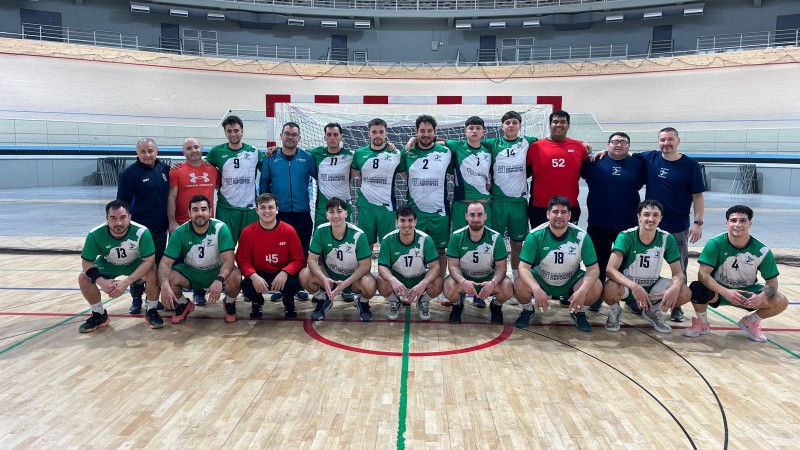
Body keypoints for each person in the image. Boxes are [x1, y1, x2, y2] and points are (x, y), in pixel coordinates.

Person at [684, 205, 788, 342]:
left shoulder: (762, 251)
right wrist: (726, 291)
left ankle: (750, 322)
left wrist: (761, 296)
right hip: (719, 292)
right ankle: (702, 324)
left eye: (743, 221)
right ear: (727, 223)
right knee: (697, 288)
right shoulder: (715, 244)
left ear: (750, 223)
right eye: (733, 220)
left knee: (781, 301)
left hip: (748, 295)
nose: (737, 225)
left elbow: (772, 283)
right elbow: (703, 275)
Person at [638, 127, 706, 322]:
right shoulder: (650, 158)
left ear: (678, 141)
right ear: (658, 142)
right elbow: (622, 152)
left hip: (677, 226)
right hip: (650, 227)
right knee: (643, 266)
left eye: (670, 139)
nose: (666, 143)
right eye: (662, 140)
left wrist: (698, 222)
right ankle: (639, 300)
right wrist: (600, 151)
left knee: (679, 269)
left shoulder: (690, 165)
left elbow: (698, 196)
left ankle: (676, 305)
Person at [513, 196, 603, 332]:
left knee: (596, 286)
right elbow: (523, 267)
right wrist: (535, 288)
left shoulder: (581, 236)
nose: (559, 216)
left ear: (570, 215)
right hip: (542, 280)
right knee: (519, 284)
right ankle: (528, 310)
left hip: (570, 281)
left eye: (563, 212)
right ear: (548, 214)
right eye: (555, 212)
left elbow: (593, 269)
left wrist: (583, 290)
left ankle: (579, 312)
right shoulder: (535, 235)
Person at [602, 200, 692, 333]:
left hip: (653, 288)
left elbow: (678, 273)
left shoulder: (667, 238)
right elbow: (610, 270)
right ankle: (615, 310)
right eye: (646, 214)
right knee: (609, 287)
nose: (651, 219)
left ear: (660, 218)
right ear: (639, 216)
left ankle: (653, 311)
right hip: (628, 287)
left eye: (655, 215)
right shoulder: (626, 236)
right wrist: (634, 286)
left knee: (685, 292)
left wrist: (675, 287)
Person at [580, 132, 645, 311]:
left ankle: (630, 297)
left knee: (628, 263)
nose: (618, 145)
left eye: (623, 142)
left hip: (627, 225)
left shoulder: (639, 164)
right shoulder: (594, 162)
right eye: (615, 142)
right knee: (597, 262)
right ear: (607, 145)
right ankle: (596, 295)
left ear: (629, 146)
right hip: (598, 222)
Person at [77, 200, 163, 332]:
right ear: (107, 219)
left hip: (135, 263)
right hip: (109, 263)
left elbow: (149, 262)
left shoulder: (141, 232)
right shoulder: (95, 234)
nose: (118, 223)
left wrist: (126, 282)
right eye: (113, 218)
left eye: (123, 217)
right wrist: (101, 281)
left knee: (153, 273)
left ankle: (151, 311)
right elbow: (86, 262)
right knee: (83, 277)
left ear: (129, 217)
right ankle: (99, 315)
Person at [158, 195, 242, 324]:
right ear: (189, 213)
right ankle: (183, 304)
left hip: (215, 271)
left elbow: (229, 261)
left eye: (203, 209)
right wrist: (163, 285)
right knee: (165, 277)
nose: (200, 213)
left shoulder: (220, 228)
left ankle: (229, 303)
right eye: (195, 210)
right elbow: (165, 263)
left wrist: (219, 279)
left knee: (236, 275)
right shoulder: (180, 232)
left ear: (210, 211)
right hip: (191, 272)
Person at [482, 111, 537, 303]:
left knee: (517, 245)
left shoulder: (529, 141)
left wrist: (582, 144)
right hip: (497, 202)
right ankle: (490, 283)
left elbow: (554, 142)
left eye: (514, 122)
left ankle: (516, 282)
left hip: (519, 203)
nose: (511, 125)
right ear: (502, 126)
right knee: (494, 245)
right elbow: (464, 144)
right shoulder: (492, 143)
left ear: (520, 125)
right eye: (507, 123)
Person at [300, 197, 377, 322]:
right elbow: (312, 260)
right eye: (331, 212)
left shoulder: (358, 235)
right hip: (330, 277)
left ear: (346, 213)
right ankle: (323, 299)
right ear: (327, 215)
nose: (335, 215)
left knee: (370, 284)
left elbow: (365, 266)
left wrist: (346, 283)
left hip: (353, 279)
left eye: (339, 211)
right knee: (304, 274)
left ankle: (362, 302)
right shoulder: (320, 231)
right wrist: (324, 279)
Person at [116, 137, 169, 314]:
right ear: (137, 153)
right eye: (143, 151)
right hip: (139, 230)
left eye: (150, 151)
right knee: (140, 265)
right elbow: (121, 203)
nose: (147, 155)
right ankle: (136, 298)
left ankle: (153, 298)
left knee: (158, 264)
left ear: (157, 151)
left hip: (160, 228)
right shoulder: (129, 174)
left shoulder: (165, 170)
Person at [402, 115, 453, 291]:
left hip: (439, 212)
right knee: (414, 250)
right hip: (415, 213)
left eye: (429, 131)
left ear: (435, 132)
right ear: (416, 132)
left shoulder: (445, 152)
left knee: (440, 252)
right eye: (421, 131)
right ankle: (414, 285)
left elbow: (460, 143)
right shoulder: (407, 152)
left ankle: (437, 288)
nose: (426, 134)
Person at [236, 193, 306, 320]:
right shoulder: (247, 232)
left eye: (270, 207)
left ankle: (288, 301)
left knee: (294, 282)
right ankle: (257, 303)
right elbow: (242, 260)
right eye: (262, 207)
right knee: (247, 286)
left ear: (277, 209)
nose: (267, 211)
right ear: (256, 210)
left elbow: (299, 259)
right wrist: (253, 276)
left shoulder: (288, 230)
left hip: (281, 273)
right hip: (259, 273)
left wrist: (285, 272)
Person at [167, 137, 220, 306]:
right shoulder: (176, 170)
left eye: (196, 147)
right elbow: (171, 197)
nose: (193, 150)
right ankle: (178, 299)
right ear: (184, 152)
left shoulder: (213, 170)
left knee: (203, 260)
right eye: (189, 148)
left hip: (205, 224)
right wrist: (172, 222)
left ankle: (199, 292)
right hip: (182, 225)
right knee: (180, 263)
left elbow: (220, 189)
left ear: (201, 148)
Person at [443, 201, 513, 324]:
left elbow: (502, 268)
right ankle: (457, 305)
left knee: (507, 286)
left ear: (485, 216)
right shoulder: (456, 236)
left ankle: (496, 306)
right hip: (465, 279)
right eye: (472, 215)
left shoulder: (496, 238)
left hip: (488, 279)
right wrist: (463, 281)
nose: (476, 219)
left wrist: (492, 282)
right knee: (448, 286)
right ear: (466, 216)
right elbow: (453, 267)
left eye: (479, 215)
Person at [259, 121, 317, 258]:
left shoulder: (307, 157)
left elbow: (321, 178)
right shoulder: (270, 157)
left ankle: (300, 279)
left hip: (302, 213)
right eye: (287, 134)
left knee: (302, 253)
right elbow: (264, 184)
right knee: (279, 252)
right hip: (279, 213)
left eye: (294, 135)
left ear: (299, 138)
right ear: (281, 135)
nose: (290, 137)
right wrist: (264, 209)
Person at [377, 205, 443, 321]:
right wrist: (393, 280)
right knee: (380, 280)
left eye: (410, 220)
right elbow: (382, 267)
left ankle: (423, 301)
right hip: (398, 278)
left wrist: (424, 283)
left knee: (438, 282)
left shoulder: (425, 240)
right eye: (402, 220)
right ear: (397, 222)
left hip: (419, 278)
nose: (406, 224)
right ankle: (395, 302)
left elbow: (435, 267)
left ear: (416, 222)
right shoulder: (388, 240)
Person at [526, 110, 589, 229]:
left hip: (569, 206)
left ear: (568, 126)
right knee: (540, 244)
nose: (559, 125)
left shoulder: (579, 147)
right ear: (549, 125)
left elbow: (586, 170)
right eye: (555, 122)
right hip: (540, 207)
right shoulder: (535, 147)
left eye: (563, 122)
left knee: (568, 245)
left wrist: (605, 151)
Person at [206, 115, 262, 243]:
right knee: (225, 246)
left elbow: (269, 169)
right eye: (229, 131)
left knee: (250, 245)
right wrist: (180, 165)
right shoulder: (216, 152)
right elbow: (200, 166)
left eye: (236, 130)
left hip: (249, 208)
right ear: (225, 132)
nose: (233, 134)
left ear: (242, 131)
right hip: (226, 208)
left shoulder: (254, 151)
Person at [351, 118, 405, 250]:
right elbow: (350, 177)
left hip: (386, 208)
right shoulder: (359, 153)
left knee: (388, 245)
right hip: (365, 206)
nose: (378, 135)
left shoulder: (396, 154)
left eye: (381, 132)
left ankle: (386, 271)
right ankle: (365, 271)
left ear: (386, 134)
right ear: (369, 134)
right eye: (374, 132)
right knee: (365, 245)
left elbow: (408, 177)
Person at [445, 116, 493, 233]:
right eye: (471, 128)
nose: (474, 131)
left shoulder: (488, 150)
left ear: (483, 132)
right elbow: (433, 140)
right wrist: (414, 140)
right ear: (465, 131)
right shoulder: (457, 146)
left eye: (478, 128)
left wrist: (489, 181)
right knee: (458, 241)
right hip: (462, 204)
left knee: (485, 243)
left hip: (484, 203)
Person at [308, 123, 356, 228]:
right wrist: (276, 149)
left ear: (341, 137)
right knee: (322, 238)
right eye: (329, 135)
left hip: (344, 205)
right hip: (323, 206)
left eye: (335, 134)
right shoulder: (315, 153)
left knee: (347, 239)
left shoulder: (351, 155)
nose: (332, 138)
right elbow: (294, 151)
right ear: (325, 137)